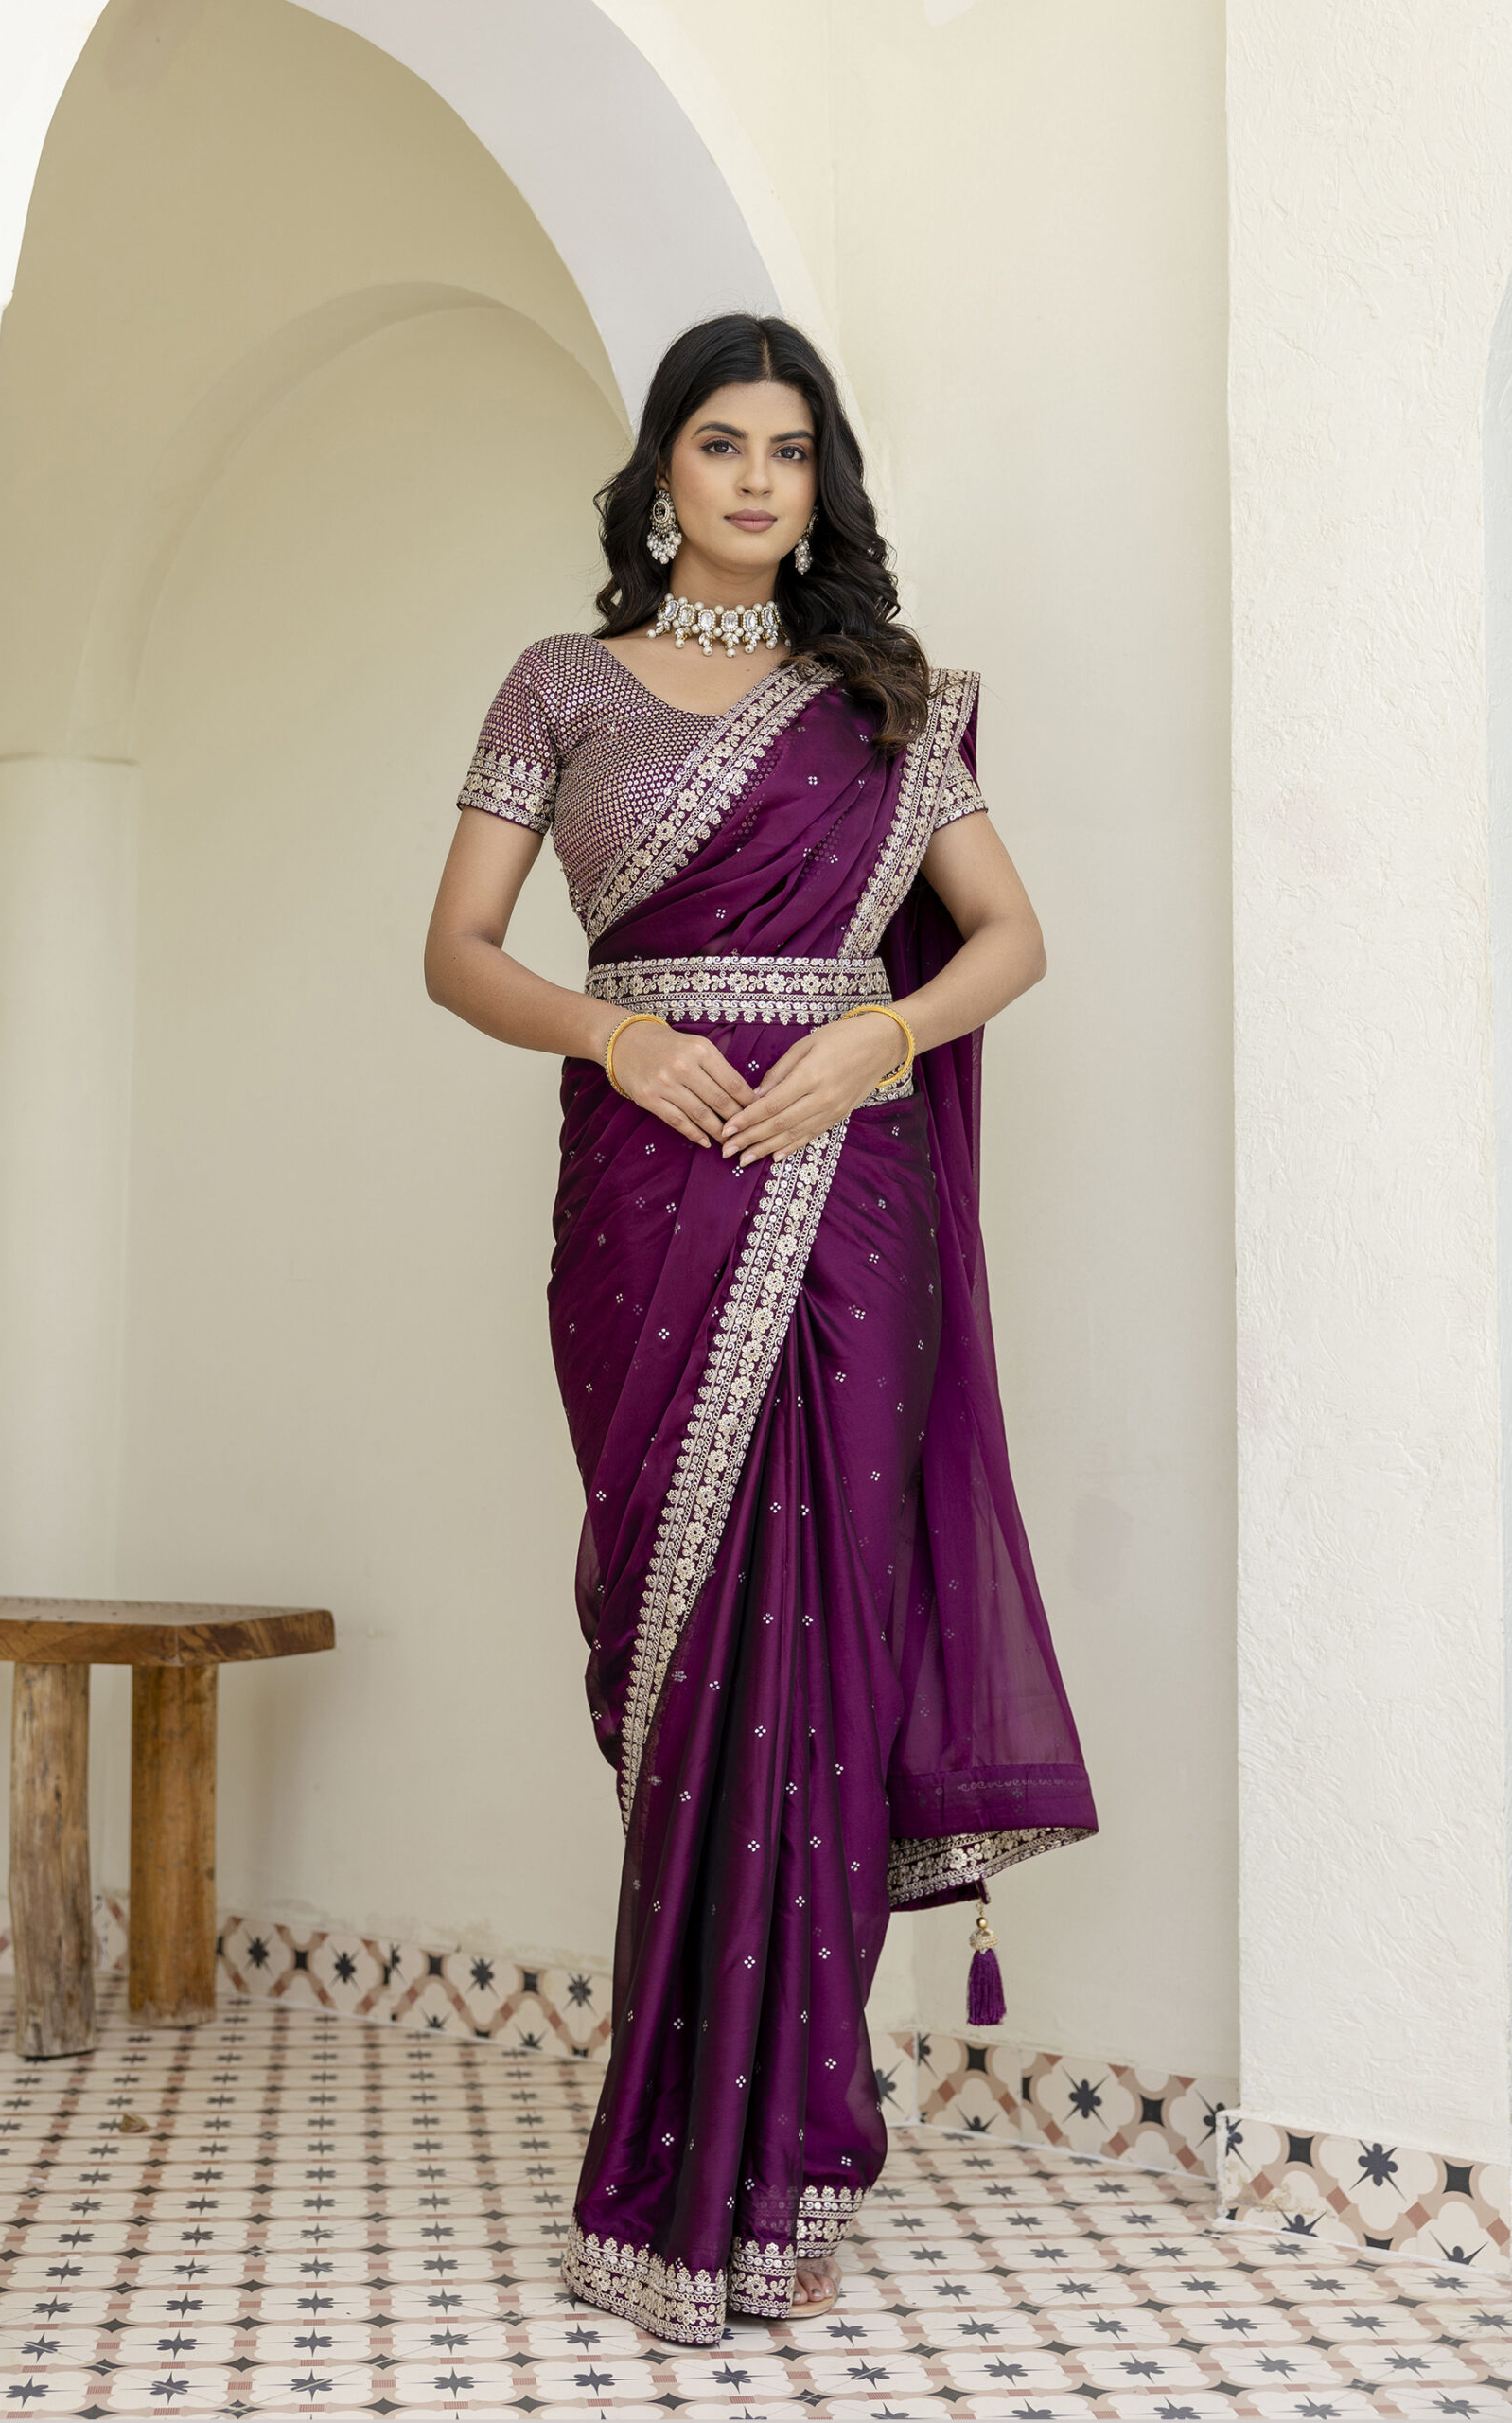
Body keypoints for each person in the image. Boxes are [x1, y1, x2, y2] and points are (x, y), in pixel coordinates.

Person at [423, 313, 1096, 2346]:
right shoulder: (559, 684)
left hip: (846, 1192)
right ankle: (683, 2142)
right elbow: (457, 949)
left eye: (787, 451)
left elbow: (1010, 936)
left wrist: (876, 1036)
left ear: (821, 487)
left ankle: (793, 2146)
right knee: (693, 1632)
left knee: (819, 1648)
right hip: (646, 1185)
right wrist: (611, 1031)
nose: (751, 479)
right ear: (661, 471)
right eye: (718, 443)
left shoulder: (881, 700)